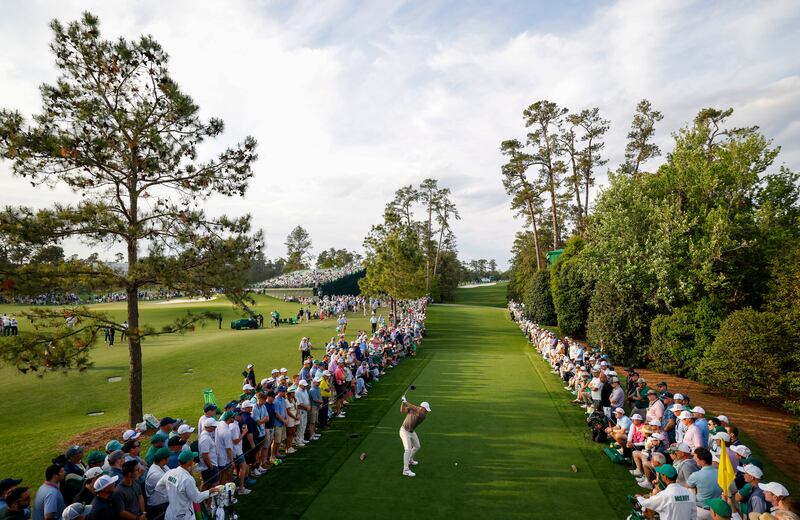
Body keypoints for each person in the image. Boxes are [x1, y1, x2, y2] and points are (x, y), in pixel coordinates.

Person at [155, 451, 222, 520]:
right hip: (184, 515)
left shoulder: (170, 472)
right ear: (189, 462)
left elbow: (158, 486)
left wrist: (172, 494)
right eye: (192, 459)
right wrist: (210, 491)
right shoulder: (187, 479)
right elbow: (197, 498)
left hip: (170, 514)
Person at [399, 396, 430, 477]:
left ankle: (410, 460)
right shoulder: (415, 409)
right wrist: (402, 402)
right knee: (407, 450)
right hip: (404, 431)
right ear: (423, 408)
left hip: (411, 432)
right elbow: (402, 410)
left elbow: (414, 408)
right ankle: (405, 470)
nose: (426, 411)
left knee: (417, 446)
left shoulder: (422, 415)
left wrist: (405, 401)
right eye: (426, 410)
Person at [687, 447, 722, 519]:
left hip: (701, 511)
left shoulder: (695, 475)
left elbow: (686, 486)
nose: (694, 459)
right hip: (717, 510)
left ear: (703, 461)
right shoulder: (720, 473)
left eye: (696, 458)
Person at [144, 448, 170, 519]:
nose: (169, 458)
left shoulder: (164, 466)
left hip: (164, 502)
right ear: (162, 460)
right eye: (168, 457)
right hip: (158, 506)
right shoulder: (155, 474)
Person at [196, 417, 219, 490]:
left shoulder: (206, 435)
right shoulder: (205, 438)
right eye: (214, 427)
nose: (215, 428)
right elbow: (205, 455)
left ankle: (204, 500)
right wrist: (211, 466)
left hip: (209, 465)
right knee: (213, 484)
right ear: (210, 427)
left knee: (207, 483)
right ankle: (209, 500)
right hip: (209, 466)